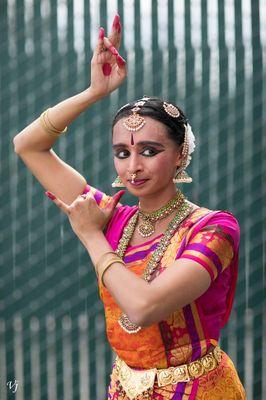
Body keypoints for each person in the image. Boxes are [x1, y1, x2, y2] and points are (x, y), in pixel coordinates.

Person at [13, 14, 246, 400]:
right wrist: (93, 92)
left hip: (198, 391)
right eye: (122, 152)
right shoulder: (114, 216)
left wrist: (90, 235)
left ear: (179, 156)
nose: (133, 166)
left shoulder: (213, 229)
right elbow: (28, 146)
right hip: (124, 389)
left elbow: (143, 308)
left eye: (149, 151)